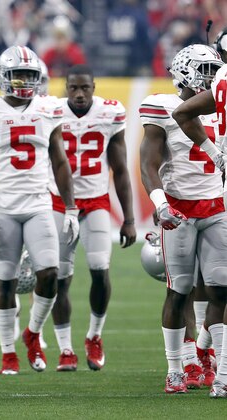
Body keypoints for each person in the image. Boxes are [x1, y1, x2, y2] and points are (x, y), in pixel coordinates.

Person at [0, 45, 78, 376]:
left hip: (39, 202)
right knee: (6, 282)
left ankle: (31, 333)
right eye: (16, 74)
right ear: (2, 76)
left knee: (49, 274)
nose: (22, 82)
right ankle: (7, 354)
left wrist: (70, 208)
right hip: (2, 206)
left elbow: (60, 160)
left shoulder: (49, 108)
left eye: (29, 75)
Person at [143, 44, 226, 395]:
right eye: (202, 70)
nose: (210, 78)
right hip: (179, 208)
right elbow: (148, 163)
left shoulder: (220, 101)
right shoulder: (161, 105)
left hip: (217, 206)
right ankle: (176, 367)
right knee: (179, 291)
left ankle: (220, 371)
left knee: (221, 288)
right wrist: (160, 204)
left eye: (213, 70)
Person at [50, 65, 137, 372]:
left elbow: (121, 168)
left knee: (100, 270)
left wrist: (128, 218)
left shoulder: (110, 113)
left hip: (96, 200)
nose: (79, 94)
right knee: (59, 279)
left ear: (94, 87)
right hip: (58, 203)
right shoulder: (51, 111)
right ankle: (65, 349)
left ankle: (94, 336)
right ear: (65, 88)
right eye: (73, 88)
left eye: (85, 88)